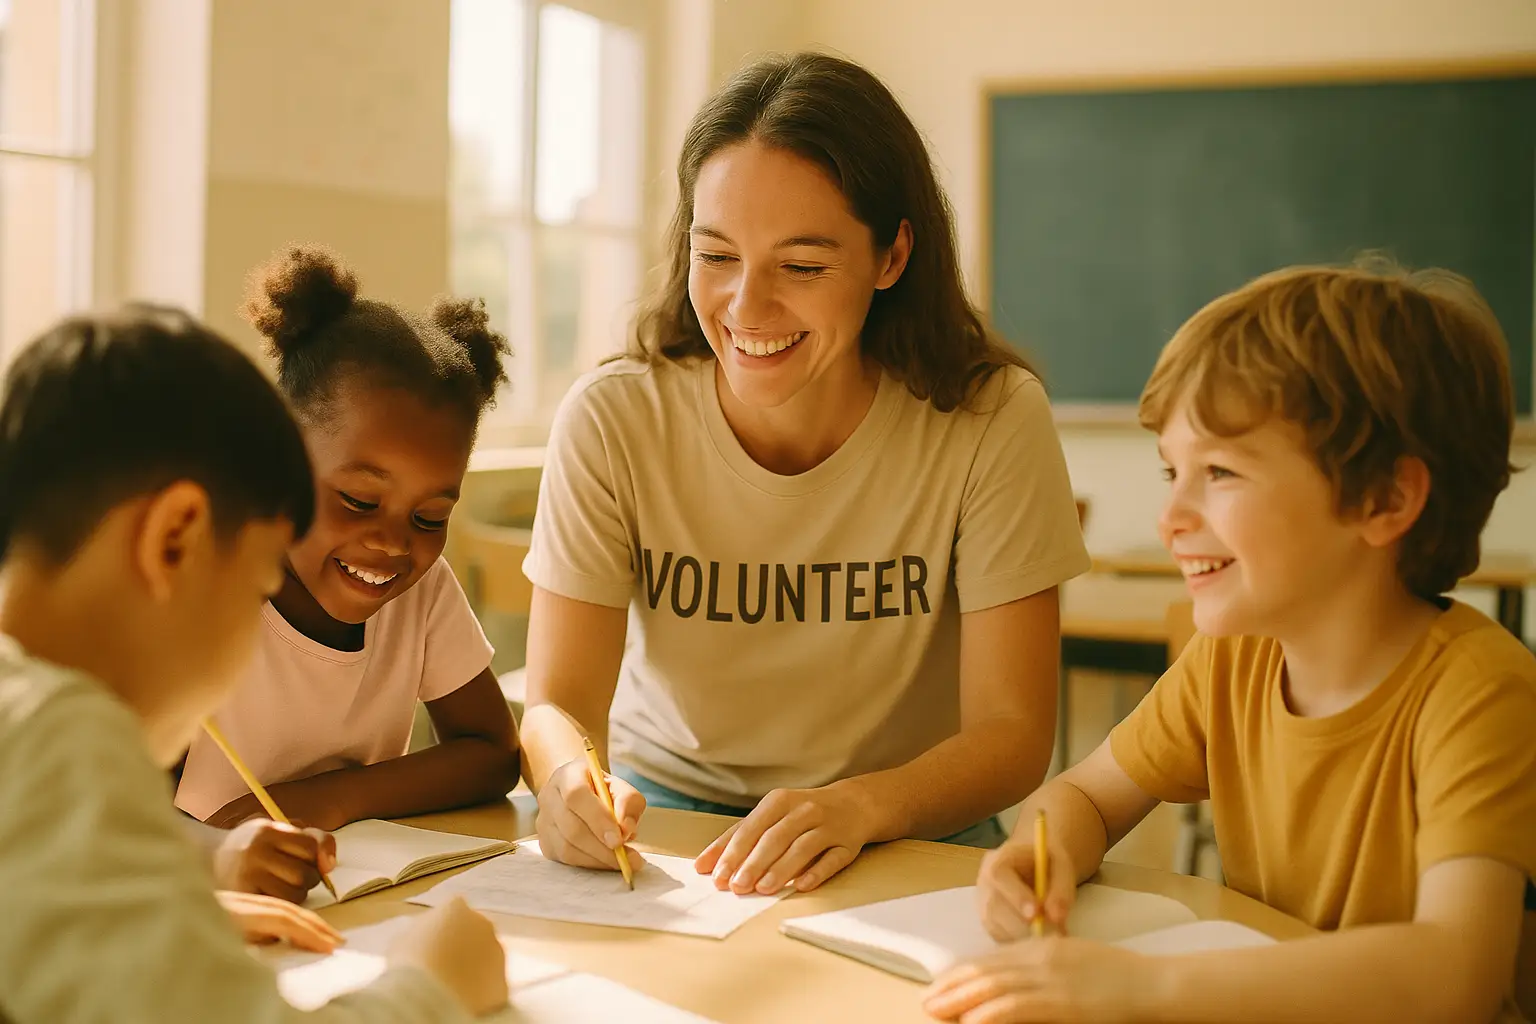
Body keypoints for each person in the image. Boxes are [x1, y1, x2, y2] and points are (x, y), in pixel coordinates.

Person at [521, 51, 1089, 897]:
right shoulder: (612, 418)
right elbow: (556, 708)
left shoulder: (992, 418)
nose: (747, 309)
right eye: (715, 256)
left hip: (907, 819)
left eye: (803, 267)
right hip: (673, 819)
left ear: (892, 255)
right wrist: (569, 781)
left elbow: (1011, 735)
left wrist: (863, 807)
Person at [929, 262, 1536, 1023]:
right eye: (1171, 472)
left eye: (1219, 471)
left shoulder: (1482, 692)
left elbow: (1456, 973)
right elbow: (1083, 793)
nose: (1170, 516)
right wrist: (1036, 854)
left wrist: (1142, 991)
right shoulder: (1235, 659)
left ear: (1385, 499)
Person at [0, 305, 506, 1020]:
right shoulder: (59, 742)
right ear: (175, 539)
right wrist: (432, 986)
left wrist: (170, 909)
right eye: (261, 586)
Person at [174, 248, 521, 904]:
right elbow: (105, 812)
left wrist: (326, 799)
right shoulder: (204, 590)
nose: (393, 542)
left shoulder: (424, 593)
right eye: (360, 502)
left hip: (349, 900)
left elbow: (493, 751)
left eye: (429, 516)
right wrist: (217, 857)